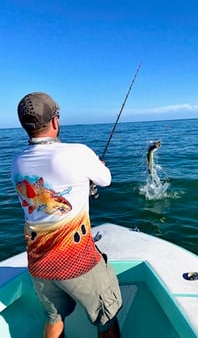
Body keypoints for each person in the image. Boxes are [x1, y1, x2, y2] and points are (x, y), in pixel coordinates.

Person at [11, 92, 122, 338]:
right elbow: (106, 180)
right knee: (107, 315)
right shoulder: (77, 153)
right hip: (76, 261)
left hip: (39, 263)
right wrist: (97, 167)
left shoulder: (17, 163)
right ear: (55, 121)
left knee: (54, 318)